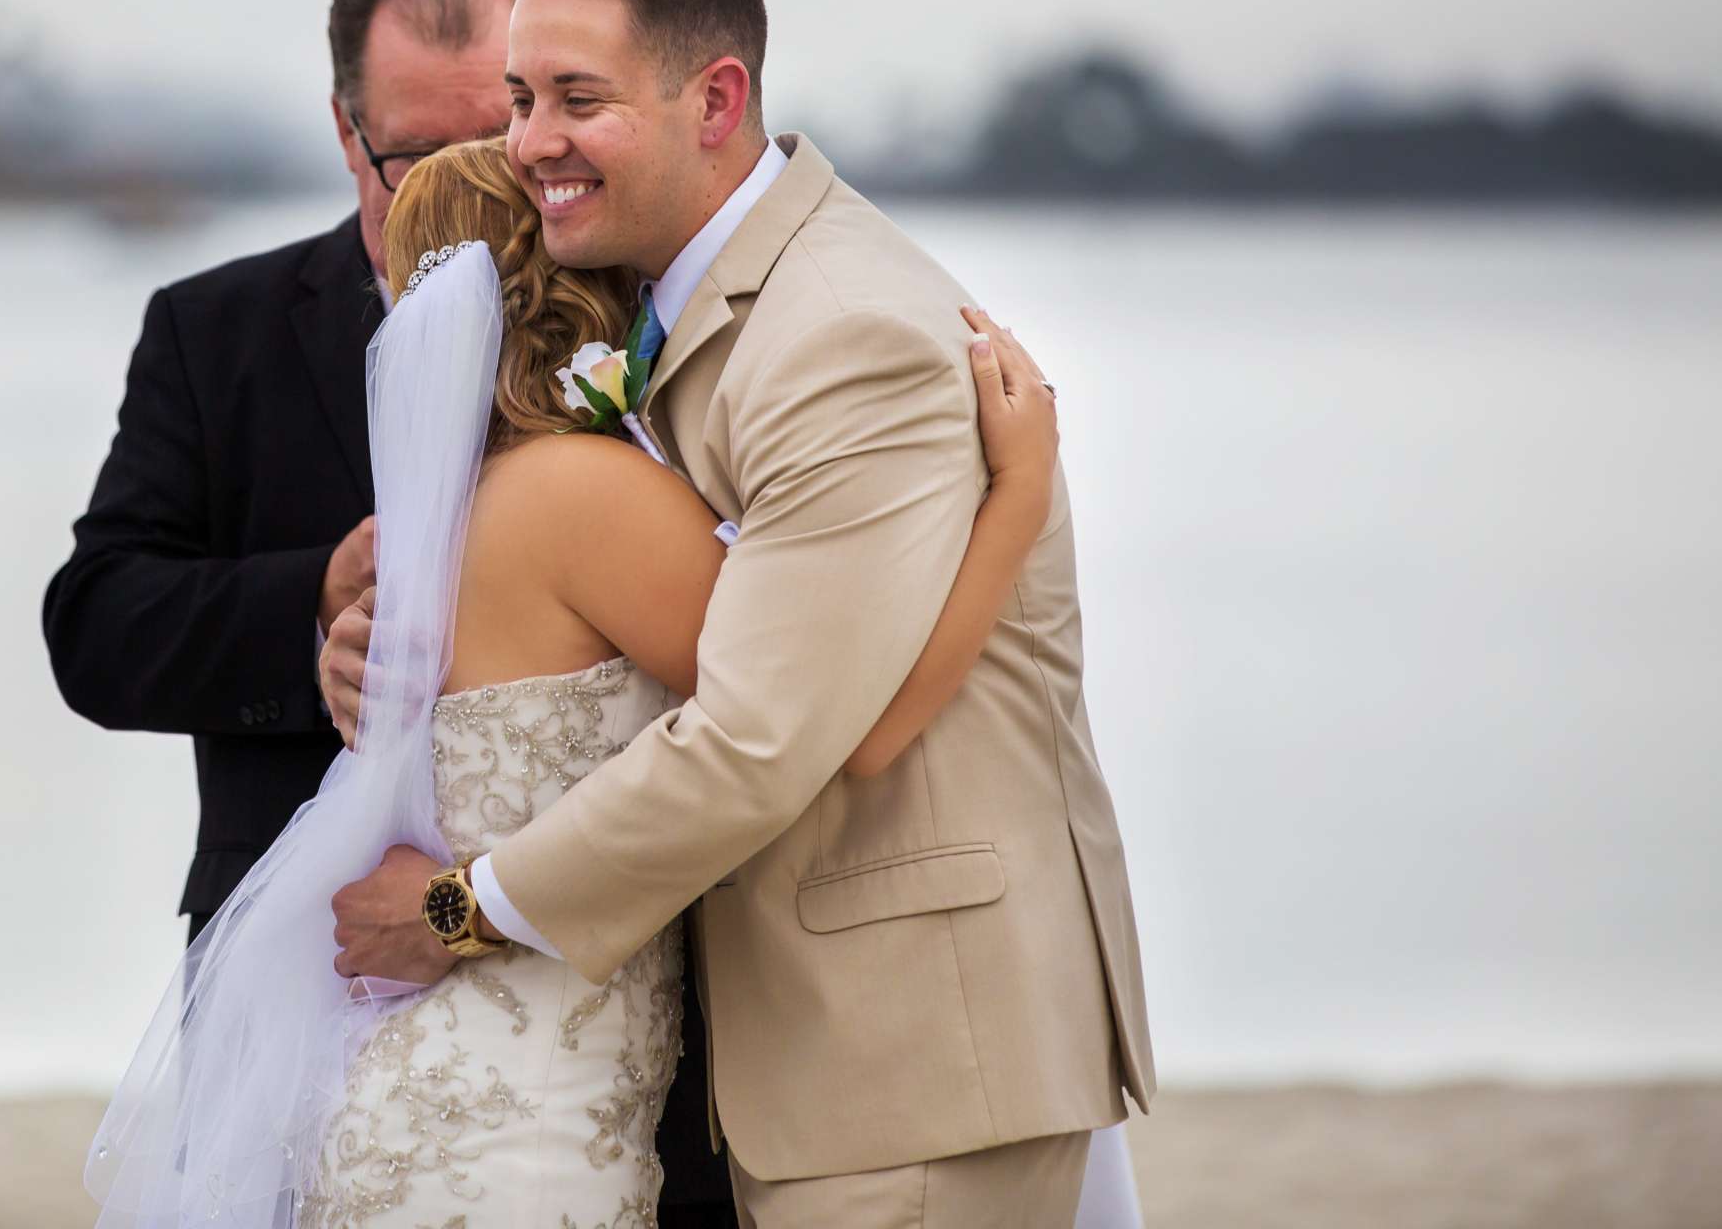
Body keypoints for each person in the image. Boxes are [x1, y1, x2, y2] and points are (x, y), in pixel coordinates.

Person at [322, 0, 1154, 1227]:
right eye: (525, 97)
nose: (532, 135)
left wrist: (452, 910)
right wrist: (1021, 499)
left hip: (909, 1061)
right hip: (768, 1069)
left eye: (575, 98)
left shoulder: (841, 332)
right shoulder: (651, 360)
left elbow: (777, 736)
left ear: (715, 100)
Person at [83, 137, 1060, 1227]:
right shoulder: (582, 496)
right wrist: (1017, 496)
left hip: (434, 1097)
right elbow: (840, 725)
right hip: (522, 1121)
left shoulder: (441, 529)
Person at [41, 0, 524, 943]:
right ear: (349, 133)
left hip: (571, 945)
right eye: (420, 157)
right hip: (291, 940)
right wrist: (311, 598)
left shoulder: (639, 321)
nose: (468, 191)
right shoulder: (213, 330)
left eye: (498, 146)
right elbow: (94, 629)